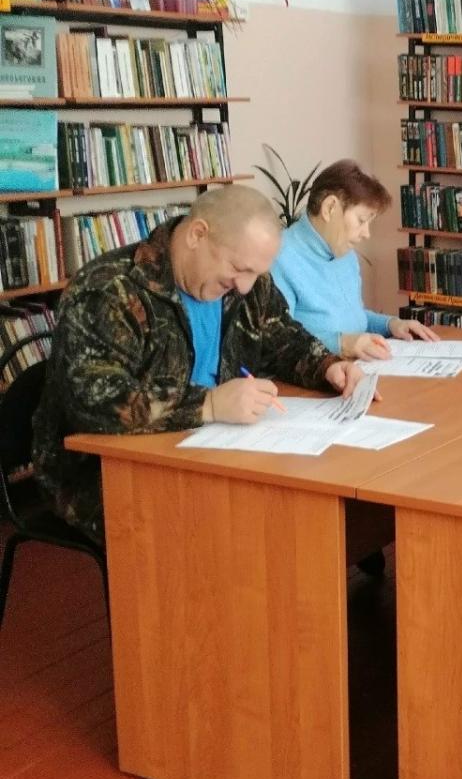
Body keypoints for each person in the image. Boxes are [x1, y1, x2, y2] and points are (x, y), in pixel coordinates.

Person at [32, 185, 368, 546]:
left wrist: (326, 366)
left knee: (307, 496)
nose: (245, 287)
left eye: (255, 273)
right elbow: (92, 401)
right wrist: (209, 404)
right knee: (252, 526)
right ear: (197, 234)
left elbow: (280, 335)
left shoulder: (246, 281)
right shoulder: (110, 291)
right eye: (238, 269)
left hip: (213, 449)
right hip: (105, 474)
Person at [271, 159, 438, 360]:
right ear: (330, 208)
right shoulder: (278, 258)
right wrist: (341, 343)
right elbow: (278, 343)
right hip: (313, 374)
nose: (366, 234)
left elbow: (353, 322)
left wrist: (391, 324)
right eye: (361, 220)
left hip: (353, 368)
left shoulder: (344, 253)